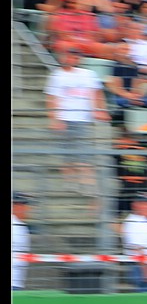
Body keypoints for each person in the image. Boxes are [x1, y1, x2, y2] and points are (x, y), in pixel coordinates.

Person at [44, 47, 109, 194]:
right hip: (64, 119)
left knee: (84, 155)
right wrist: (54, 119)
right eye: (69, 56)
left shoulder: (88, 74)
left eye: (75, 56)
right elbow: (52, 99)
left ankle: (88, 186)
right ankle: (70, 186)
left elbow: (98, 94)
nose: (72, 59)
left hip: (84, 120)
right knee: (66, 156)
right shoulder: (57, 75)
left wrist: (101, 110)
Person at [112, 131, 147, 217]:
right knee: (144, 216)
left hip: (128, 191)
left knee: (116, 214)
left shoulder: (118, 152)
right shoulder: (145, 153)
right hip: (145, 191)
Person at [13, 192, 34, 291]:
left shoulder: (19, 225)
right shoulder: (15, 226)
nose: (28, 209)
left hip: (17, 279)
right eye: (24, 205)